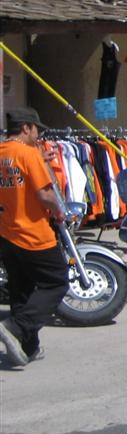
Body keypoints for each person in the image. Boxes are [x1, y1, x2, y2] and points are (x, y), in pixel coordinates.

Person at [0, 107, 68, 366]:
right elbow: (44, 194)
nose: (39, 135)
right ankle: (15, 327)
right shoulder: (27, 154)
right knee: (57, 281)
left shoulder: (3, 152)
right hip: (33, 233)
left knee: (22, 289)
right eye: (37, 129)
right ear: (26, 128)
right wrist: (59, 211)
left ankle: (27, 348)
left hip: (7, 233)